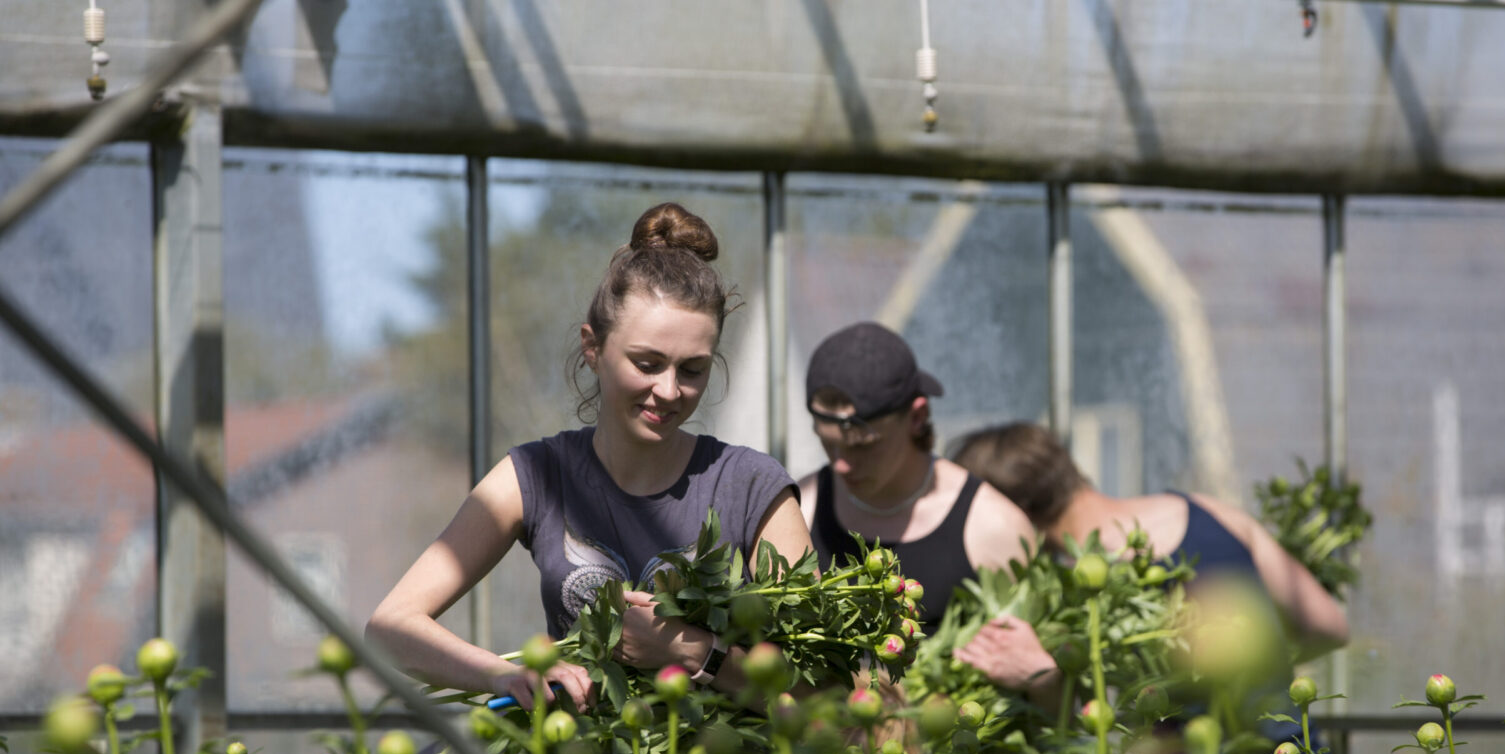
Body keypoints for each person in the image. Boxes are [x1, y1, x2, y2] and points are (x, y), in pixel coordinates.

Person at [367, 203, 812, 713]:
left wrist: (688, 651)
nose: (668, 390)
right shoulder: (536, 475)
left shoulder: (752, 487)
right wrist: (508, 675)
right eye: (647, 364)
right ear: (593, 348)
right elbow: (391, 627)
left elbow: (822, 692)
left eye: (692, 370)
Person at [948, 421, 1348, 709]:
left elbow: (1084, 720)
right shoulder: (1213, 512)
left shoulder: (1073, 584)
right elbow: (1329, 626)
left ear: (1012, 511)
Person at [797, 322, 1036, 635]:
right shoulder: (798, 511)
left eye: (862, 446)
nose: (841, 464)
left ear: (917, 417)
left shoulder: (992, 527)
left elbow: (1036, 667)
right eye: (828, 444)